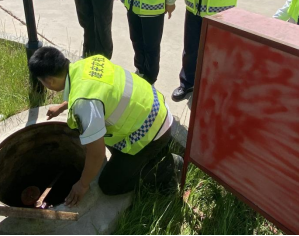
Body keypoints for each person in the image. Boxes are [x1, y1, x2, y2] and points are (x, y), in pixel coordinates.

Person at [28, 47, 183, 206]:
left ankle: (167, 167)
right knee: (85, 129)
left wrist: (82, 185)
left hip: (152, 132)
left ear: (49, 81)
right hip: (155, 109)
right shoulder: (86, 63)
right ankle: (152, 154)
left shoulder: (84, 104)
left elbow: (96, 152)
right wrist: (64, 106)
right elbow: (95, 88)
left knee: (110, 185)